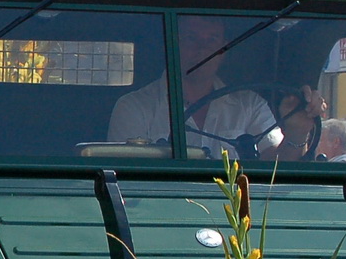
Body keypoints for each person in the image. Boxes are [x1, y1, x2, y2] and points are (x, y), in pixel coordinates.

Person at [107, 15, 315, 159]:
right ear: (173, 44)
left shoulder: (249, 105)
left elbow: (273, 168)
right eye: (192, 39)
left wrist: (298, 131)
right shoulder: (134, 107)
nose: (202, 49)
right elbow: (126, 181)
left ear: (223, 49)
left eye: (212, 40)